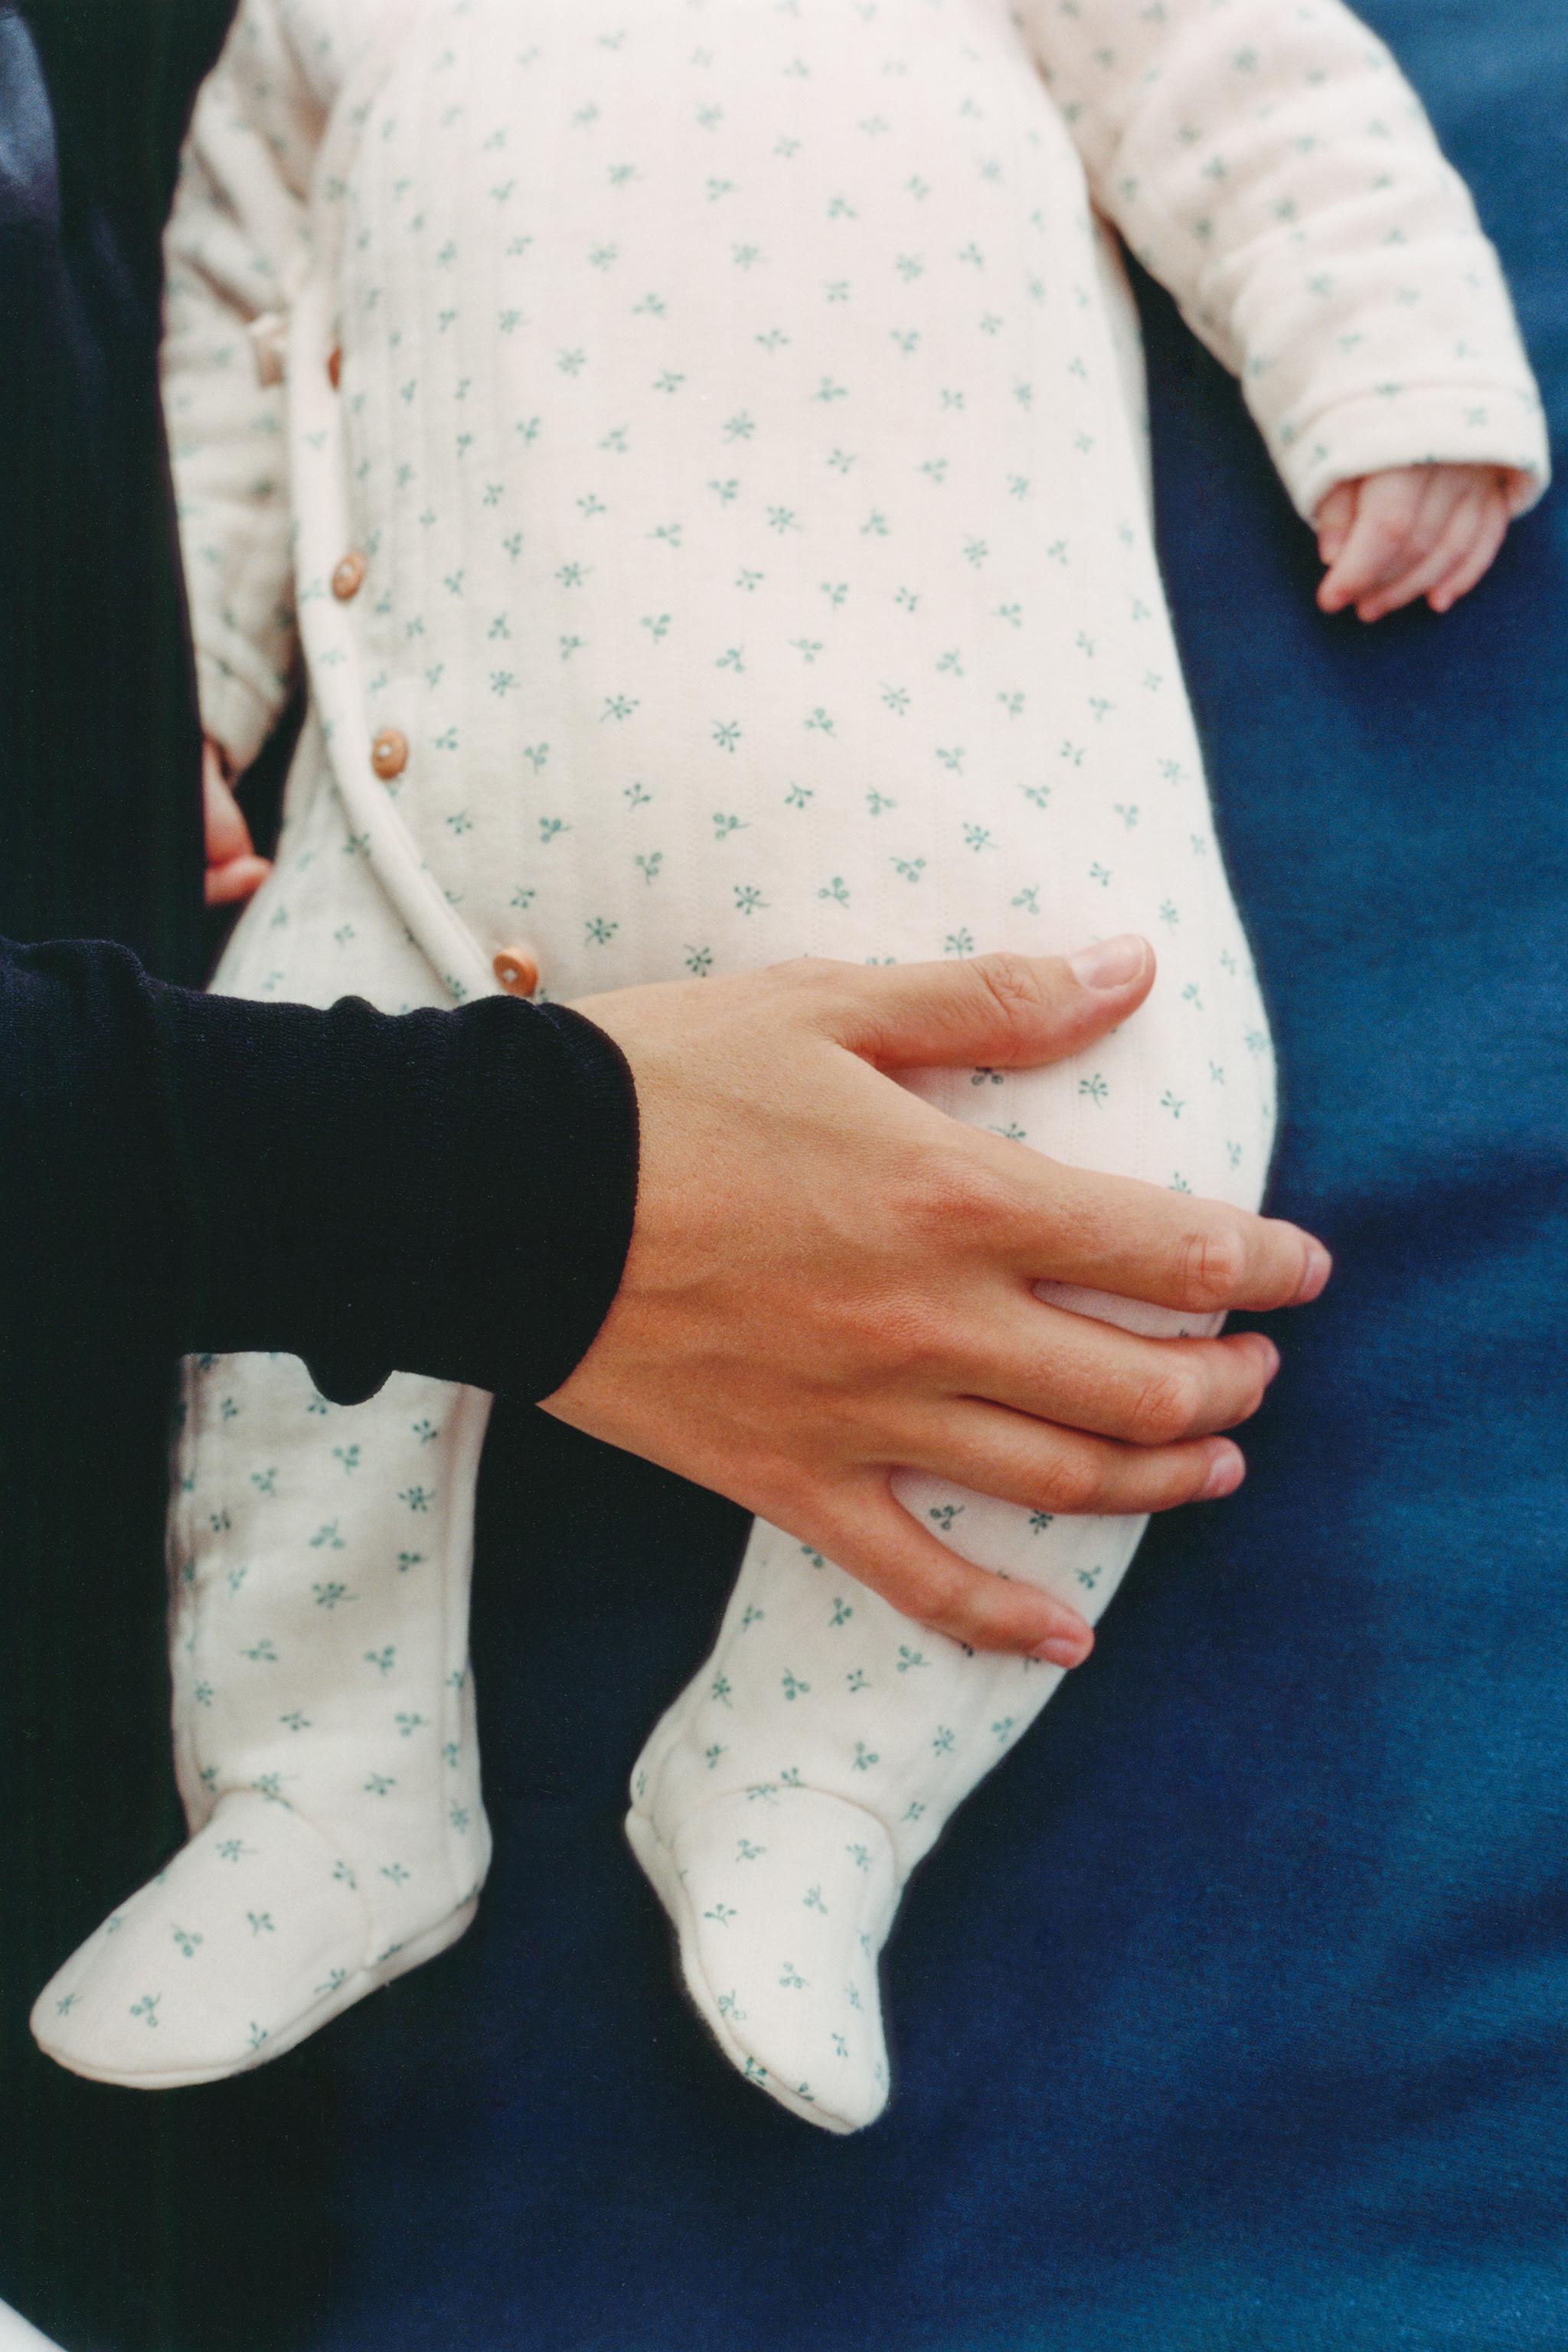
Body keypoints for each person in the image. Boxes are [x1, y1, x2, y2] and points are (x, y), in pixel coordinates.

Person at [29, 0, 1545, 2128]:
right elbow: (222, 335)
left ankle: (812, 1777)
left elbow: (1243, 66)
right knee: (284, 1319)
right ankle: (318, 1794)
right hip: (432, 784)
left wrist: (1381, 364)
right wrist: (180, 682)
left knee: (1133, 1189)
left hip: (952, 749)